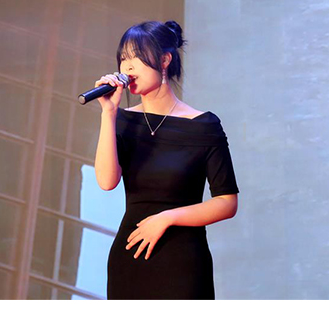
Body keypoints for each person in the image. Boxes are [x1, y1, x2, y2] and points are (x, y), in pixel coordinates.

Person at [93, 20, 239, 300]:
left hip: (182, 261)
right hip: (130, 257)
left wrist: (167, 218)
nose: (127, 67)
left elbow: (226, 202)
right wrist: (108, 113)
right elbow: (106, 181)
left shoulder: (203, 125)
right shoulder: (122, 120)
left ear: (164, 60)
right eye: (123, 58)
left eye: (136, 57)